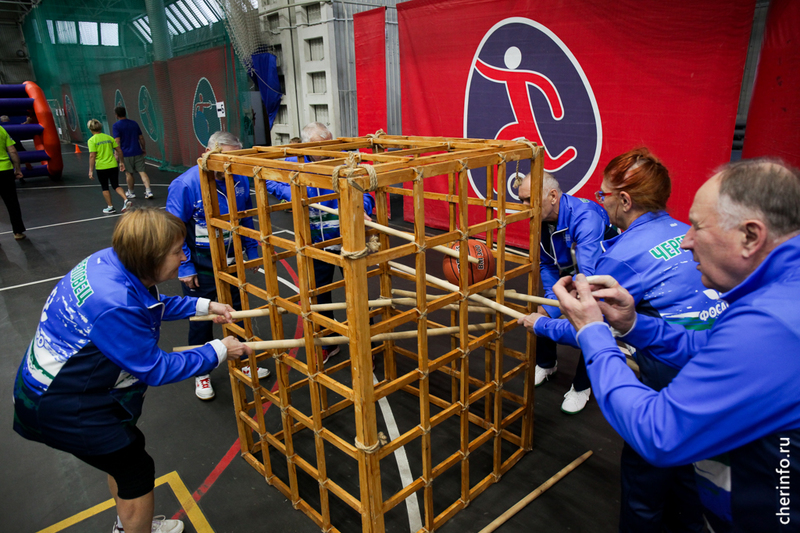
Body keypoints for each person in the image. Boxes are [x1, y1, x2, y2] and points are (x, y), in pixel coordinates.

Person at [551, 159, 800, 531]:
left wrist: (593, 332)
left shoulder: (768, 324)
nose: (686, 241)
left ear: (751, 236)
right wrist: (634, 324)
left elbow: (658, 433)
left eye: (698, 226)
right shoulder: (777, 295)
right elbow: (706, 345)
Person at [12, 208, 252, 533]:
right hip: (58, 404)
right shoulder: (114, 303)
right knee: (134, 469)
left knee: (120, 459)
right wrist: (220, 350)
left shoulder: (111, 262)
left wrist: (204, 306)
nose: (184, 257)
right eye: (176, 251)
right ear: (149, 257)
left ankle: (128, 526)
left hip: (64, 387)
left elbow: (146, 306)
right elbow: (156, 368)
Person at [519, 148, 709, 532]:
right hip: (712, 364)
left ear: (624, 200)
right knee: (689, 471)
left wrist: (540, 325)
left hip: (673, 383)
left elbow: (589, 326)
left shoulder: (619, 254)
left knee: (644, 485)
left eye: (603, 194)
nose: (599, 200)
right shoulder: (683, 233)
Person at [166, 131, 268, 401]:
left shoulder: (240, 179)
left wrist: (251, 250)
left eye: (235, 158)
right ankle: (201, 372)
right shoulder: (185, 184)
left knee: (236, 313)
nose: (229, 165)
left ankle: (243, 361)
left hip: (231, 262)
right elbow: (174, 230)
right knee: (201, 319)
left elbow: (245, 217)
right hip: (200, 266)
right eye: (225, 158)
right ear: (208, 153)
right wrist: (185, 266)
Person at [266, 122, 376, 363]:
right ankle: (327, 343)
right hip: (315, 243)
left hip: (349, 241)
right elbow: (268, 178)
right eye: (320, 147)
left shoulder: (345, 160)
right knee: (318, 296)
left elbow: (367, 190)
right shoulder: (294, 163)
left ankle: (368, 343)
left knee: (359, 294)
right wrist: (294, 193)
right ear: (307, 146)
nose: (327, 150)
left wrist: (363, 207)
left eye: (329, 144)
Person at [517, 171, 613, 413]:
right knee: (543, 311)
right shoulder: (540, 218)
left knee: (591, 324)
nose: (525, 207)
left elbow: (589, 279)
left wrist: (573, 305)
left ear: (552, 196)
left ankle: (582, 387)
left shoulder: (586, 217)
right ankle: (547, 364)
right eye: (522, 200)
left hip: (603, 277)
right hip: (573, 274)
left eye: (529, 200)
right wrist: (553, 300)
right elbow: (546, 265)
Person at [87, 119, 130, 214]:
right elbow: (119, 150)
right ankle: (126, 199)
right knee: (116, 185)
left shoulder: (92, 140)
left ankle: (110, 207)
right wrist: (121, 162)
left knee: (105, 187)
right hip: (113, 165)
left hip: (102, 167)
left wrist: (90, 170)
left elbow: (92, 155)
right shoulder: (109, 137)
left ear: (90, 129)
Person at [112, 107, 153, 200]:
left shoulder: (116, 126)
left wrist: (116, 153)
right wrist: (143, 148)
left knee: (129, 173)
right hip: (137, 151)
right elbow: (141, 137)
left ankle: (131, 192)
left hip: (125, 154)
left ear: (116, 115)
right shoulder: (134, 123)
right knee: (142, 172)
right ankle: (148, 191)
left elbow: (117, 141)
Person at [0, 123, 26, 240]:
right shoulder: (1, 129)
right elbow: (13, 151)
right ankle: (18, 232)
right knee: (12, 203)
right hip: (5, 170)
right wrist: (17, 169)